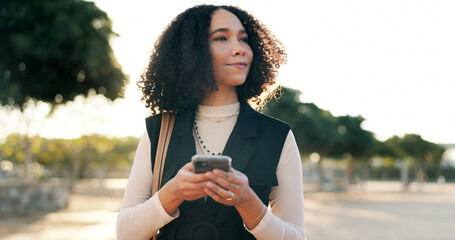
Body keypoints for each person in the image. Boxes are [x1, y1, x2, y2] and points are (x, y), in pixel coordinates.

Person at [116, 4, 305, 240]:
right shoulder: (158, 130)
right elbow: (125, 233)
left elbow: (296, 237)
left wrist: (247, 201)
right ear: (192, 51)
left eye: (244, 39)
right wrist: (173, 192)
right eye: (221, 38)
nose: (240, 49)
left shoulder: (278, 136)